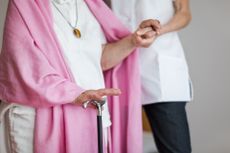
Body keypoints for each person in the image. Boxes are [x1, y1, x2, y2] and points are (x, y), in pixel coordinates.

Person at [0, 0, 161, 153]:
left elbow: (100, 59)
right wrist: (75, 94)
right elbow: (24, 66)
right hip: (37, 118)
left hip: (90, 112)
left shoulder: (89, 5)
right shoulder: (24, 4)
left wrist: (133, 41)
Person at [108, 0, 193, 153]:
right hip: (119, 67)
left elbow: (184, 14)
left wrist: (158, 31)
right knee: (118, 145)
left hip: (160, 71)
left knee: (175, 148)